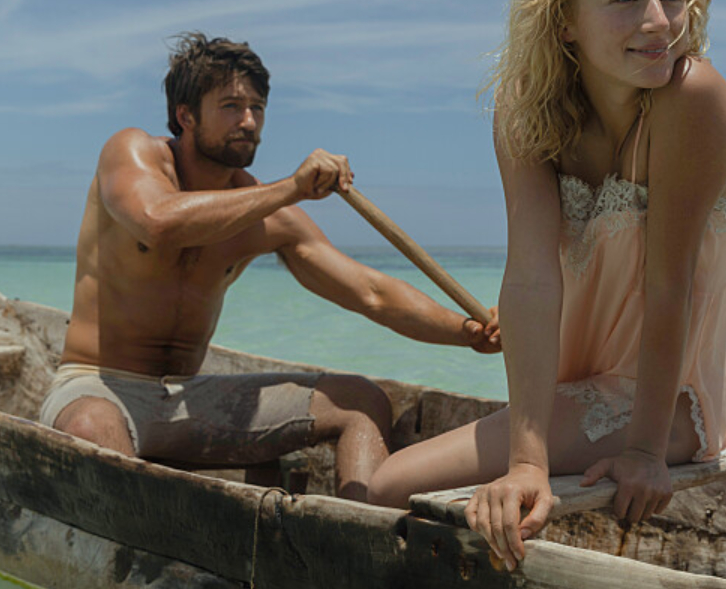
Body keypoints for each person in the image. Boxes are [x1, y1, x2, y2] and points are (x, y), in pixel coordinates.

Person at [367, 0, 726, 568]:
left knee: (389, 486)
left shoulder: (693, 98)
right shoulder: (528, 105)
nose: (659, 21)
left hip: (670, 406)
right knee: (385, 487)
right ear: (565, 18)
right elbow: (531, 275)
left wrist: (643, 451)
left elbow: (672, 285)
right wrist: (527, 460)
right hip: (574, 388)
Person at [38, 32, 499, 502]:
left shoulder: (266, 215)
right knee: (91, 425)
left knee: (362, 401)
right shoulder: (131, 152)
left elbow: (372, 293)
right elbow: (158, 221)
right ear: (185, 116)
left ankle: (360, 532)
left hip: (189, 398)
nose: (249, 121)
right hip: (98, 387)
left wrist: (468, 331)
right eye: (231, 106)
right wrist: (292, 188)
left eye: (257, 108)